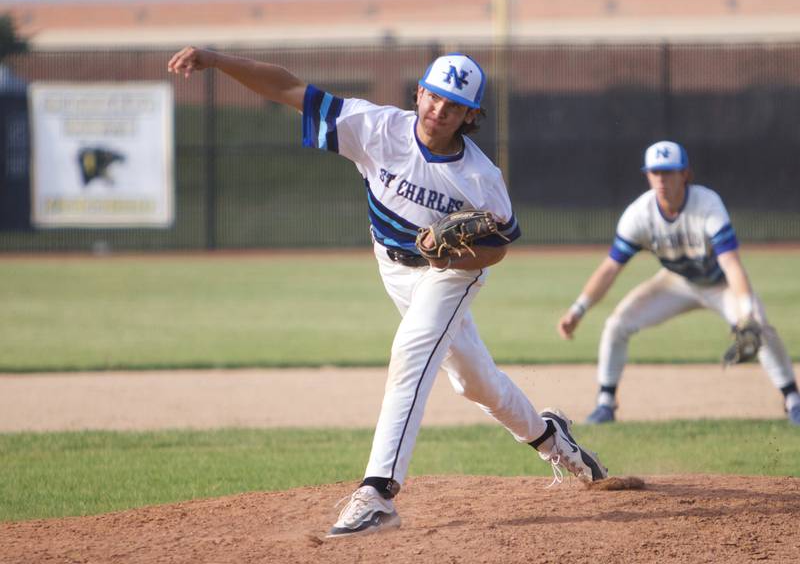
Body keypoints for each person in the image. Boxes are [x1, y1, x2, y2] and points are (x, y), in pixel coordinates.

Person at [168, 47, 607, 538]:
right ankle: (552, 438)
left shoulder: (481, 179)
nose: (440, 110)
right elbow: (288, 88)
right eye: (435, 96)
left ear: (470, 116)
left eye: (454, 105)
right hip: (393, 267)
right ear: (419, 92)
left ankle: (378, 493)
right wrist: (217, 60)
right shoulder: (375, 127)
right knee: (473, 382)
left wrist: (451, 259)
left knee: (411, 352)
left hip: (450, 275)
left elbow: (497, 248)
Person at [557, 140, 800, 426]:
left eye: (669, 172)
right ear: (647, 175)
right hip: (676, 283)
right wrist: (578, 309)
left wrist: (746, 310)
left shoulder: (706, 204)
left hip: (721, 286)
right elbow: (610, 268)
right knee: (616, 324)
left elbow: (731, 263)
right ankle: (605, 403)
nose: (661, 179)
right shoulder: (640, 214)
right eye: (655, 172)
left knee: (759, 326)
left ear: (685, 174)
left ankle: (792, 400)